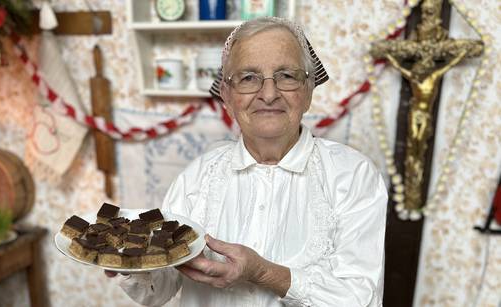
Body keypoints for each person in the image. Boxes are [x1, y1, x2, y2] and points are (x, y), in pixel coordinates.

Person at [107, 17, 388, 306]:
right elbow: (161, 288)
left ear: (308, 90)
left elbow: (361, 300)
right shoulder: (198, 176)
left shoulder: (353, 176)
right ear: (227, 96)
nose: (268, 94)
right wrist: (128, 263)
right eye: (248, 77)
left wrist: (263, 272)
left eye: (287, 76)